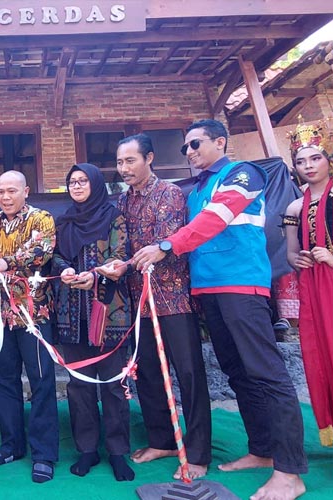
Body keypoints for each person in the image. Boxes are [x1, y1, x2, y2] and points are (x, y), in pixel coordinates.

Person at [132, 119, 307, 500]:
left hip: (242, 286)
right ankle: (262, 450)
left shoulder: (242, 173)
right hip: (206, 290)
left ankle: (290, 471)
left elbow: (218, 218)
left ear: (220, 142)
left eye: (195, 144)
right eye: (185, 148)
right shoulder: (194, 191)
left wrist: (165, 246)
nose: (190, 152)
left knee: (268, 374)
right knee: (237, 372)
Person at [99, 133, 212, 480]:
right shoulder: (122, 201)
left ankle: (197, 452)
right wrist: (114, 264)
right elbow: (122, 246)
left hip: (173, 299)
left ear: (149, 158)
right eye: (119, 162)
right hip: (138, 301)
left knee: (189, 374)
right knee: (145, 372)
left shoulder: (171, 194)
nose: (123, 169)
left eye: (130, 161)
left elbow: (157, 246)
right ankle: (162, 439)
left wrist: (126, 262)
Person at [0, 170, 58, 483]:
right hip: (0, 318)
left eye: (12, 191)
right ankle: (11, 446)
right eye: (1, 192)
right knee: (3, 382)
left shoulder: (41, 217)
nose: (6, 197)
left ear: (26, 191)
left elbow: (41, 249)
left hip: (34, 317)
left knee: (42, 381)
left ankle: (44, 454)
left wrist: (5, 262)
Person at [52, 163, 134, 481]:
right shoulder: (65, 221)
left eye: (83, 181)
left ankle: (117, 452)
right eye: (72, 181)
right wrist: (65, 271)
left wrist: (96, 273)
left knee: (113, 386)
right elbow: (55, 255)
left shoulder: (114, 218)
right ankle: (87, 449)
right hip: (72, 316)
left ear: (96, 183)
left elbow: (119, 255)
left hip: (109, 311)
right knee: (79, 386)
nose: (77, 186)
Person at [283, 119, 333, 447]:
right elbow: (290, 253)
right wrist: (297, 259)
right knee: (322, 356)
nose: (308, 166)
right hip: (314, 286)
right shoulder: (295, 206)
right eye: (301, 161)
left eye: (315, 158)